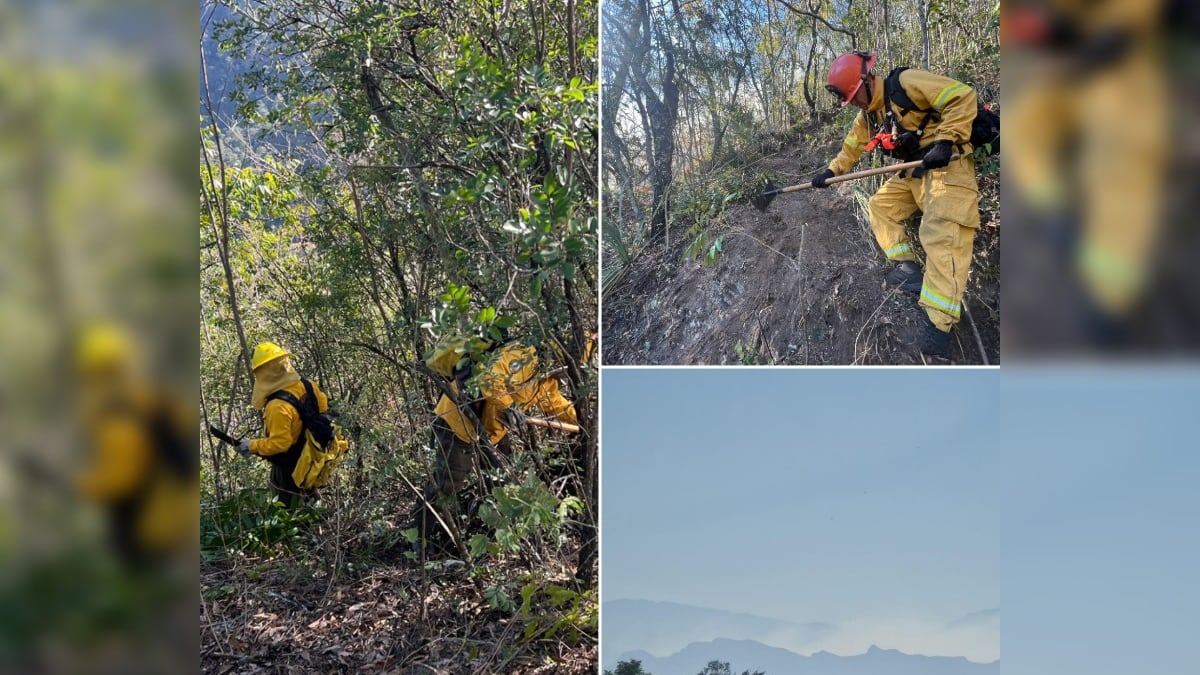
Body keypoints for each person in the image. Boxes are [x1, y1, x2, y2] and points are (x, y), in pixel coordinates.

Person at [812, 51, 981, 358]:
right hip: (914, 171)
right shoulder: (868, 116)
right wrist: (830, 172)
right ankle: (907, 269)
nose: (857, 103)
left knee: (941, 233)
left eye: (855, 96)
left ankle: (938, 324)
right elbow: (851, 147)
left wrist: (945, 140)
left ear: (867, 80)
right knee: (880, 206)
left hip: (947, 166)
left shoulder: (905, 83)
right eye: (851, 101)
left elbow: (962, 96)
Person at [413, 332, 578, 553]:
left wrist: (586, 421)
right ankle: (419, 538)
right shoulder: (522, 354)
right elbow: (490, 378)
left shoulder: (546, 379)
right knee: (447, 483)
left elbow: (557, 405)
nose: (565, 373)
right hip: (458, 421)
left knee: (501, 478)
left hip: (490, 431)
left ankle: (497, 537)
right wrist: (508, 406)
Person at [75, 323, 200, 566]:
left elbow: (121, 479)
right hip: (178, 515)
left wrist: (80, 486)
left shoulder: (119, 414)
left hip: (147, 530)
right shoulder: (157, 400)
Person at [240, 341, 329, 508]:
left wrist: (251, 446)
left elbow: (281, 443)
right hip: (312, 456)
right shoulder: (308, 385)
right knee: (311, 504)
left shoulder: (277, 406)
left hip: (289, 469)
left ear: (262, 372)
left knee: (286, 515)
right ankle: (320, 530)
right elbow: (322, 408)